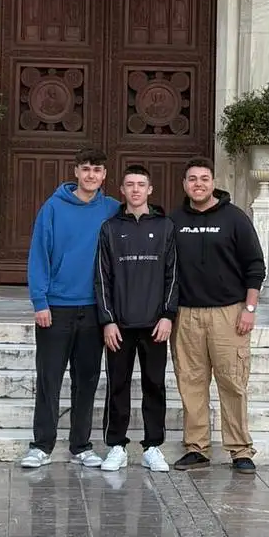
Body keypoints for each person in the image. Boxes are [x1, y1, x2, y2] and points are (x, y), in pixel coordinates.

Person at [21, 147, 120, 469]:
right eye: (86, 169)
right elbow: (39, 253)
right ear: (76, 171)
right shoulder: (53, 208)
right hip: (57, 307)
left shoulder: (112, 209)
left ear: (104, 175)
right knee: (49, 379)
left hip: (94, 309)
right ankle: (42, 445)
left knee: (87, 380)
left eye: (97, 170)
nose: (91, 175)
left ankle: (81, 446)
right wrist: (40, 301)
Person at [170, 158, 265, 475]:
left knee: (232, 382)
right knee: (190, 383)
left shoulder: (235, 218)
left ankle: (240, 450)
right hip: (186, 315)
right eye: (192, 178)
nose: (198, 184)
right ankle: (196, 448)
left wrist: (249, 309)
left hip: (229, 314)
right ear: (184, 184)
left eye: (204, 178)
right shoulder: (174, 221)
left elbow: (255, 266)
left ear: (213, 183)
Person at [95, 164, 178, 473]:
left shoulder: (165, 227)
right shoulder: (110, 228)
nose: (135, 190)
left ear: (150, 189)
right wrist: (107, 320)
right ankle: (116, 446)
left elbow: (173, 275)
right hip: (119, 326)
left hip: (155, 325)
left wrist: (168, 315)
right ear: (122, 190)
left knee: (154, 385)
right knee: (117, 385)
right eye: (130, 184)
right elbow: (101, 278)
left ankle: (153, 447)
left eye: (141, 184)